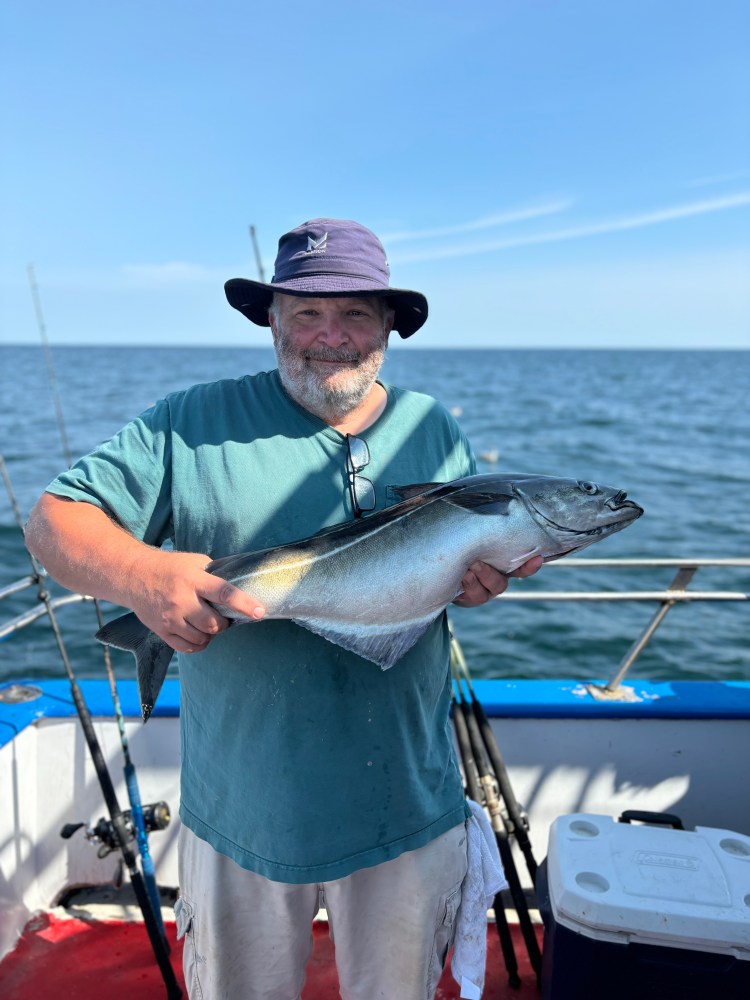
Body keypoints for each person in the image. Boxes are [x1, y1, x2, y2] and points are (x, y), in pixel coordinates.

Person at [26, 218, 542, 1000]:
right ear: (270, 319)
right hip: (243, 813)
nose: (329, 335)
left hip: (407, 801)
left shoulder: (433, 427)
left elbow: (439, 573)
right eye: (306, 312)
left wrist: (470, 583)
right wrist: (141, 575)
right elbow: (53, 521)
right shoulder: (189, 422)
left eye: (356, 314)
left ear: (389, 328)